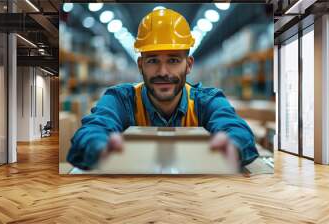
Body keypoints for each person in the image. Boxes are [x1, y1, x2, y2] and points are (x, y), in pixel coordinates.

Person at [67, 8, 259, 170]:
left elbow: (236, 129)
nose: (163, 72)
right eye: (153, 61)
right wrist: (99, 148)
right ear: (140, 65)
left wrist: (233, 145)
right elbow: (92, 130)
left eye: (174, 60)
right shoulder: (120, 99)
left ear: (189, 64)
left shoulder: (207, 100)